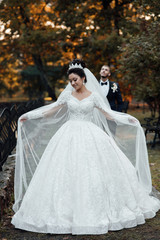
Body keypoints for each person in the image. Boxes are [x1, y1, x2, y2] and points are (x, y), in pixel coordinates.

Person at [11, 59, 160, 235]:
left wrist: (128, 119)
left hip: (91, 134)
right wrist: (30, 116)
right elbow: (51, 110)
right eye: (70, 81)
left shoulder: (95, 96)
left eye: (75, 79)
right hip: (68, 134)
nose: (73, 83)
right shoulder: (67, 96)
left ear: (83, 78)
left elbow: (108, 115)